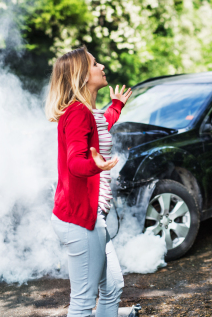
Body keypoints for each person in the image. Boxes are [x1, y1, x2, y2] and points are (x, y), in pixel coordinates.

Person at [45, 45, 133, 317]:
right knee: (83, 303)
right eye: (95, 64)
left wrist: (116, 106)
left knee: (113, 287)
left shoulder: (88, 112)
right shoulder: (77, 113)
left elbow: (103, 122)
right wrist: (94, 165)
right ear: (82, 75)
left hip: (93, 218)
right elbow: (75, 162)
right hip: (81, 220)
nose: (102, 67)